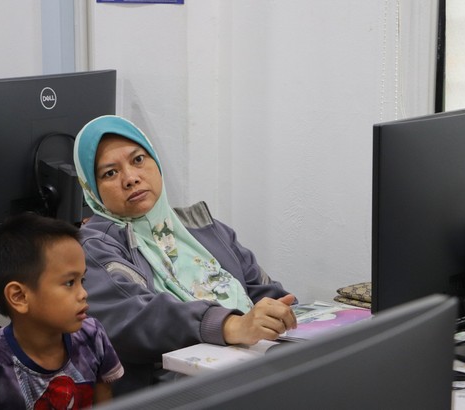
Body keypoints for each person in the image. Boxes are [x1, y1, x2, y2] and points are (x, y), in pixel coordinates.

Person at [73, 115, 298, 395]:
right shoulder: (93, 247)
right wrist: (230, 325)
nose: (130, 178)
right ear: (91, 189)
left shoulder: (202, 227)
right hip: (175, 390)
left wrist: (286, 317)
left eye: (138, 160)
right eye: (110, 173)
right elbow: (136, 318)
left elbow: (263, 290)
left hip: (252, 368)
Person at [0, 213, 124, 409]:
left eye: (81, 280)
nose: (83, 293)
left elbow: (104, 400)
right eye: (70, 283)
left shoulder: (92, 336)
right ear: (19, 297)